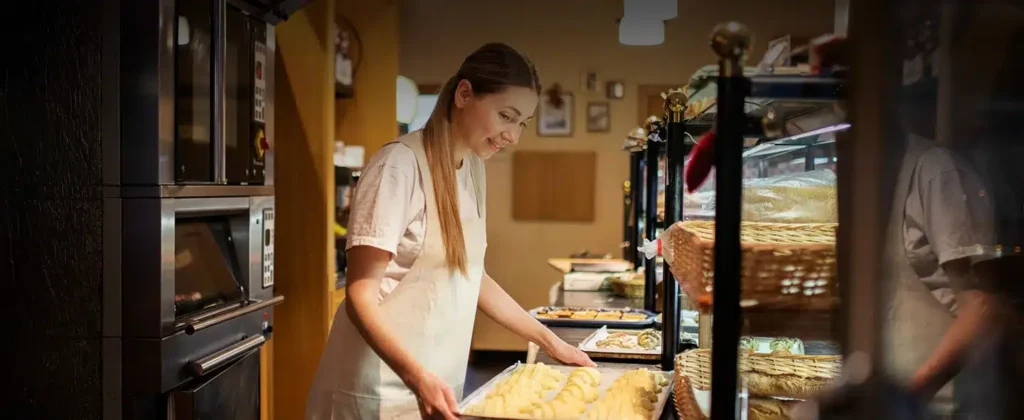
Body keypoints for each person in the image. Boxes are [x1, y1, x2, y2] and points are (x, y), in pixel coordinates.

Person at [306, 43, 595, 420]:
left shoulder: (473, 170)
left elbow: (473, 276)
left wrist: (550, 341)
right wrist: (416, 377)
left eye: (521, 123)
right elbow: (361, 297)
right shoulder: (398, 166)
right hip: (376, 391)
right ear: (464, 94)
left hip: (435, 387)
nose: (513, 136)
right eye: (506, 116)